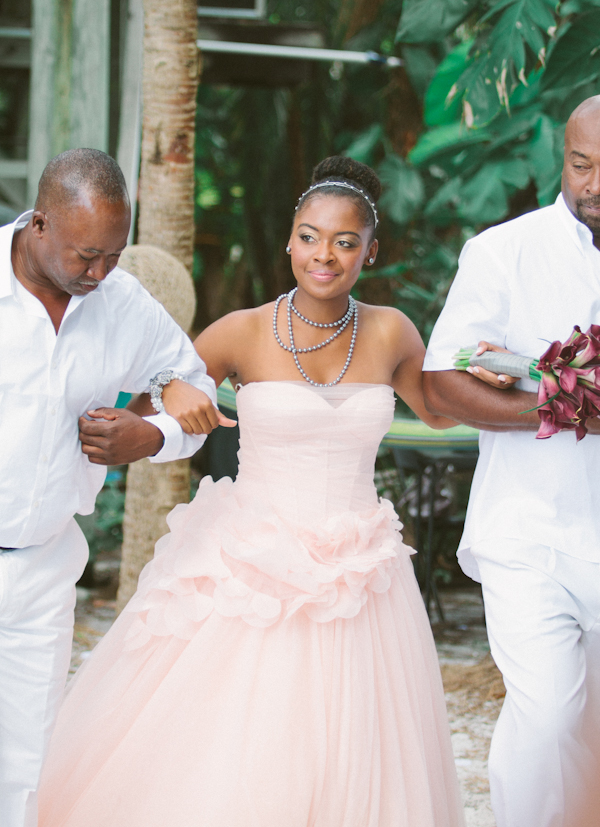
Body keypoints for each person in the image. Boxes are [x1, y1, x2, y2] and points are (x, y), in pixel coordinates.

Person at [38, 157, 466, 827]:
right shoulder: (241, 329)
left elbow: (439, 408)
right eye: (309, 236)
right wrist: (148, 417)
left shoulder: (392, 332)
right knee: (240, 735)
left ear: (370, 251)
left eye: (345, 242)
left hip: (360, 568)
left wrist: (510, 375)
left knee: (354, 739)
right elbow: (162, 392)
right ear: (289, 240)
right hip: (253, 559)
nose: (323, 254)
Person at [0, 148, 224, 827]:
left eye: (113, 255)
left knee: (28, 764)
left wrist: (149, 436)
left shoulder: (123, 304)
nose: (99, 272)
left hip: (43, 561)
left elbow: (197, 390)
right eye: (84, 256)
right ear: (39, 224)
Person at [422, 95, 600, 827]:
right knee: (548, 716)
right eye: (581, 164)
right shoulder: (504, 251)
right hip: (532, 535)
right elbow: (444, 378)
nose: (592, 183)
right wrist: (564, 403)